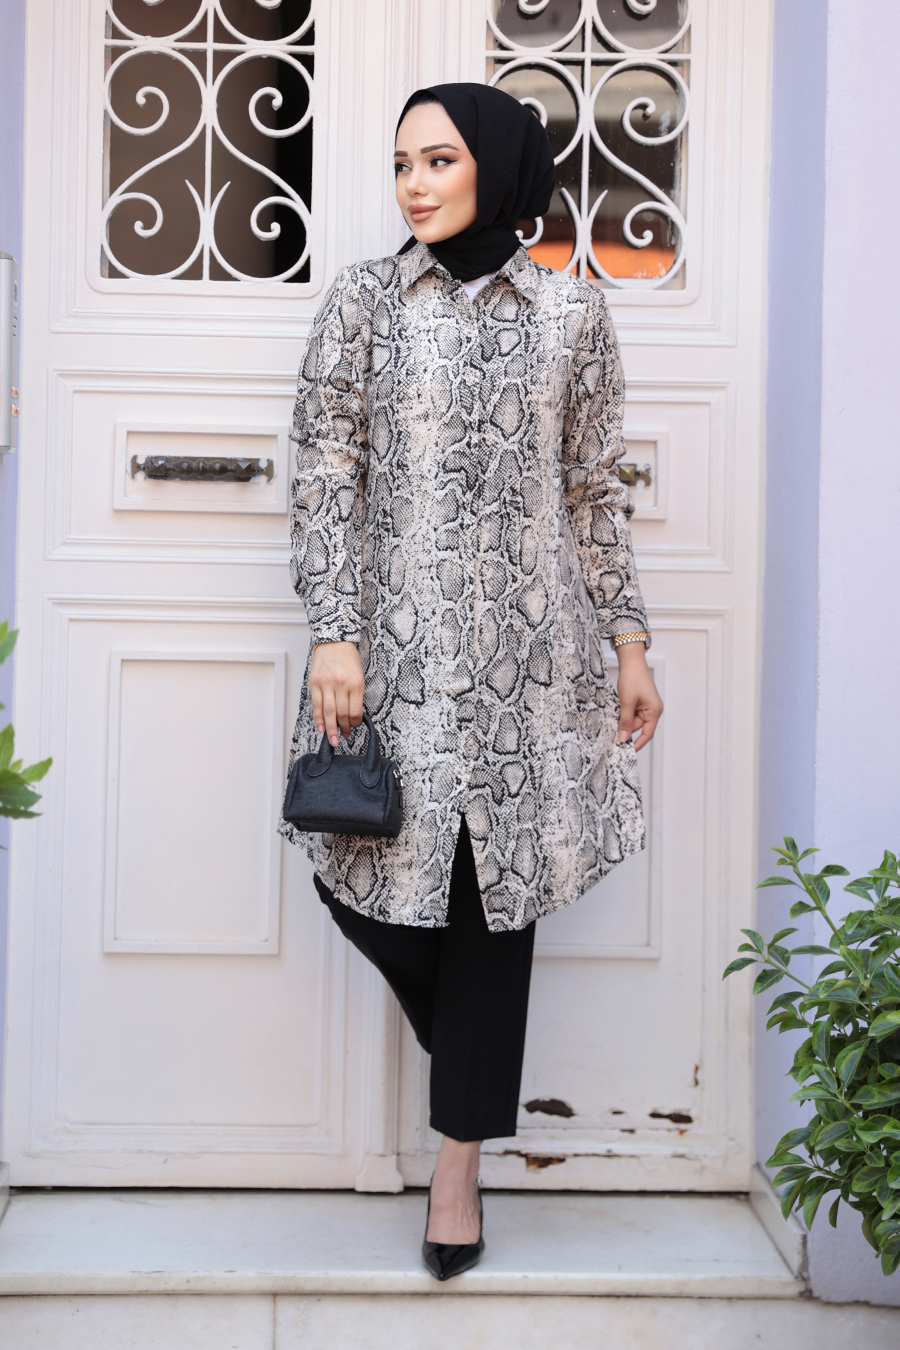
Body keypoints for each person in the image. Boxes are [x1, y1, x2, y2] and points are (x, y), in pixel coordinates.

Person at [280, 83, 663, 1280]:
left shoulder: (572, 313)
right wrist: (334, 633)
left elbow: (594, 488)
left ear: (496, 167)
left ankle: (458, 1168)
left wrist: (630, 641)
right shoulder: (363, 301)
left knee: (495, 902)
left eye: (439, 160)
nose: (415, 184)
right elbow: (323, 473)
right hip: (389, 656)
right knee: (360, 879)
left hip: (532, 664)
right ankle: (476, 1074)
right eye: (402, 163)